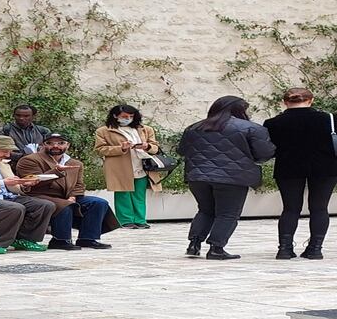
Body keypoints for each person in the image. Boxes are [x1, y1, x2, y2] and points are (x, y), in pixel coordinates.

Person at [178, 96, 275, 260]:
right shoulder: (251, 128)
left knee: (205, 210)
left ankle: (194, 244)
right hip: (233, 177)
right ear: (240, 110)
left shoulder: (194, 127)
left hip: (197, 176)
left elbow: (182, 150)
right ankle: (216, 248)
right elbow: (264, 153)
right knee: (228, 214)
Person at [264, 88, 337, 260]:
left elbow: (269, 149)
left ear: (284, 102)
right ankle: (315, 248)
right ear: (311, 100)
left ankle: (285, 248)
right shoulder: (330, 119)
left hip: (288, 168)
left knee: (290, 209)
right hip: (325, 168)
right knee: (320, 208)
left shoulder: (272, 123)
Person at [17, 133, 119, 250]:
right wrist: (56, 171)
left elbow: (79, 185)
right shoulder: (30, 160)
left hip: (67, 196)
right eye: (50, 143)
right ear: (43, 145)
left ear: (67, 145)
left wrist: (73, 196)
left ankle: (88, 239)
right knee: (65, 205)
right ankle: (60, 240)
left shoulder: (75, 163)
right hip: (40, 195)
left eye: (60, 143)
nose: (55, 146)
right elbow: (32, 182)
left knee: (98, 203)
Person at [94, 104, 161, 229]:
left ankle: (140, 220)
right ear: (115, 116)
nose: (128, 118)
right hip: (120, 167)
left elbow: (155, 147)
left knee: (139, 195)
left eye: (131, 116)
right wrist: (121, 148)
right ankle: (125, 220)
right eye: (124, 116)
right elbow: (100, 150)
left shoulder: (146, 129)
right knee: (122, 194)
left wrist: (147, 146)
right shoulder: (104, 131)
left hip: (142, 165)